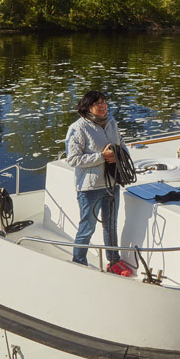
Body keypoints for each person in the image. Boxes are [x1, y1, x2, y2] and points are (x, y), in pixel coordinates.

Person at [64, 90, 134, 277]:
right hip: (90, 188)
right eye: (98, 103)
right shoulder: (77, 128)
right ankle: (79, 262)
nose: (103, 106)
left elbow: (123, 145)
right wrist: (102, 157)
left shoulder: (111, 124)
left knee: (111, 225)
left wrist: (120, 155)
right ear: (88, 107)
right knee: (87, 227)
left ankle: (114, 261)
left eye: (105, 102)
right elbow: (72, 159)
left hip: (112, 184)